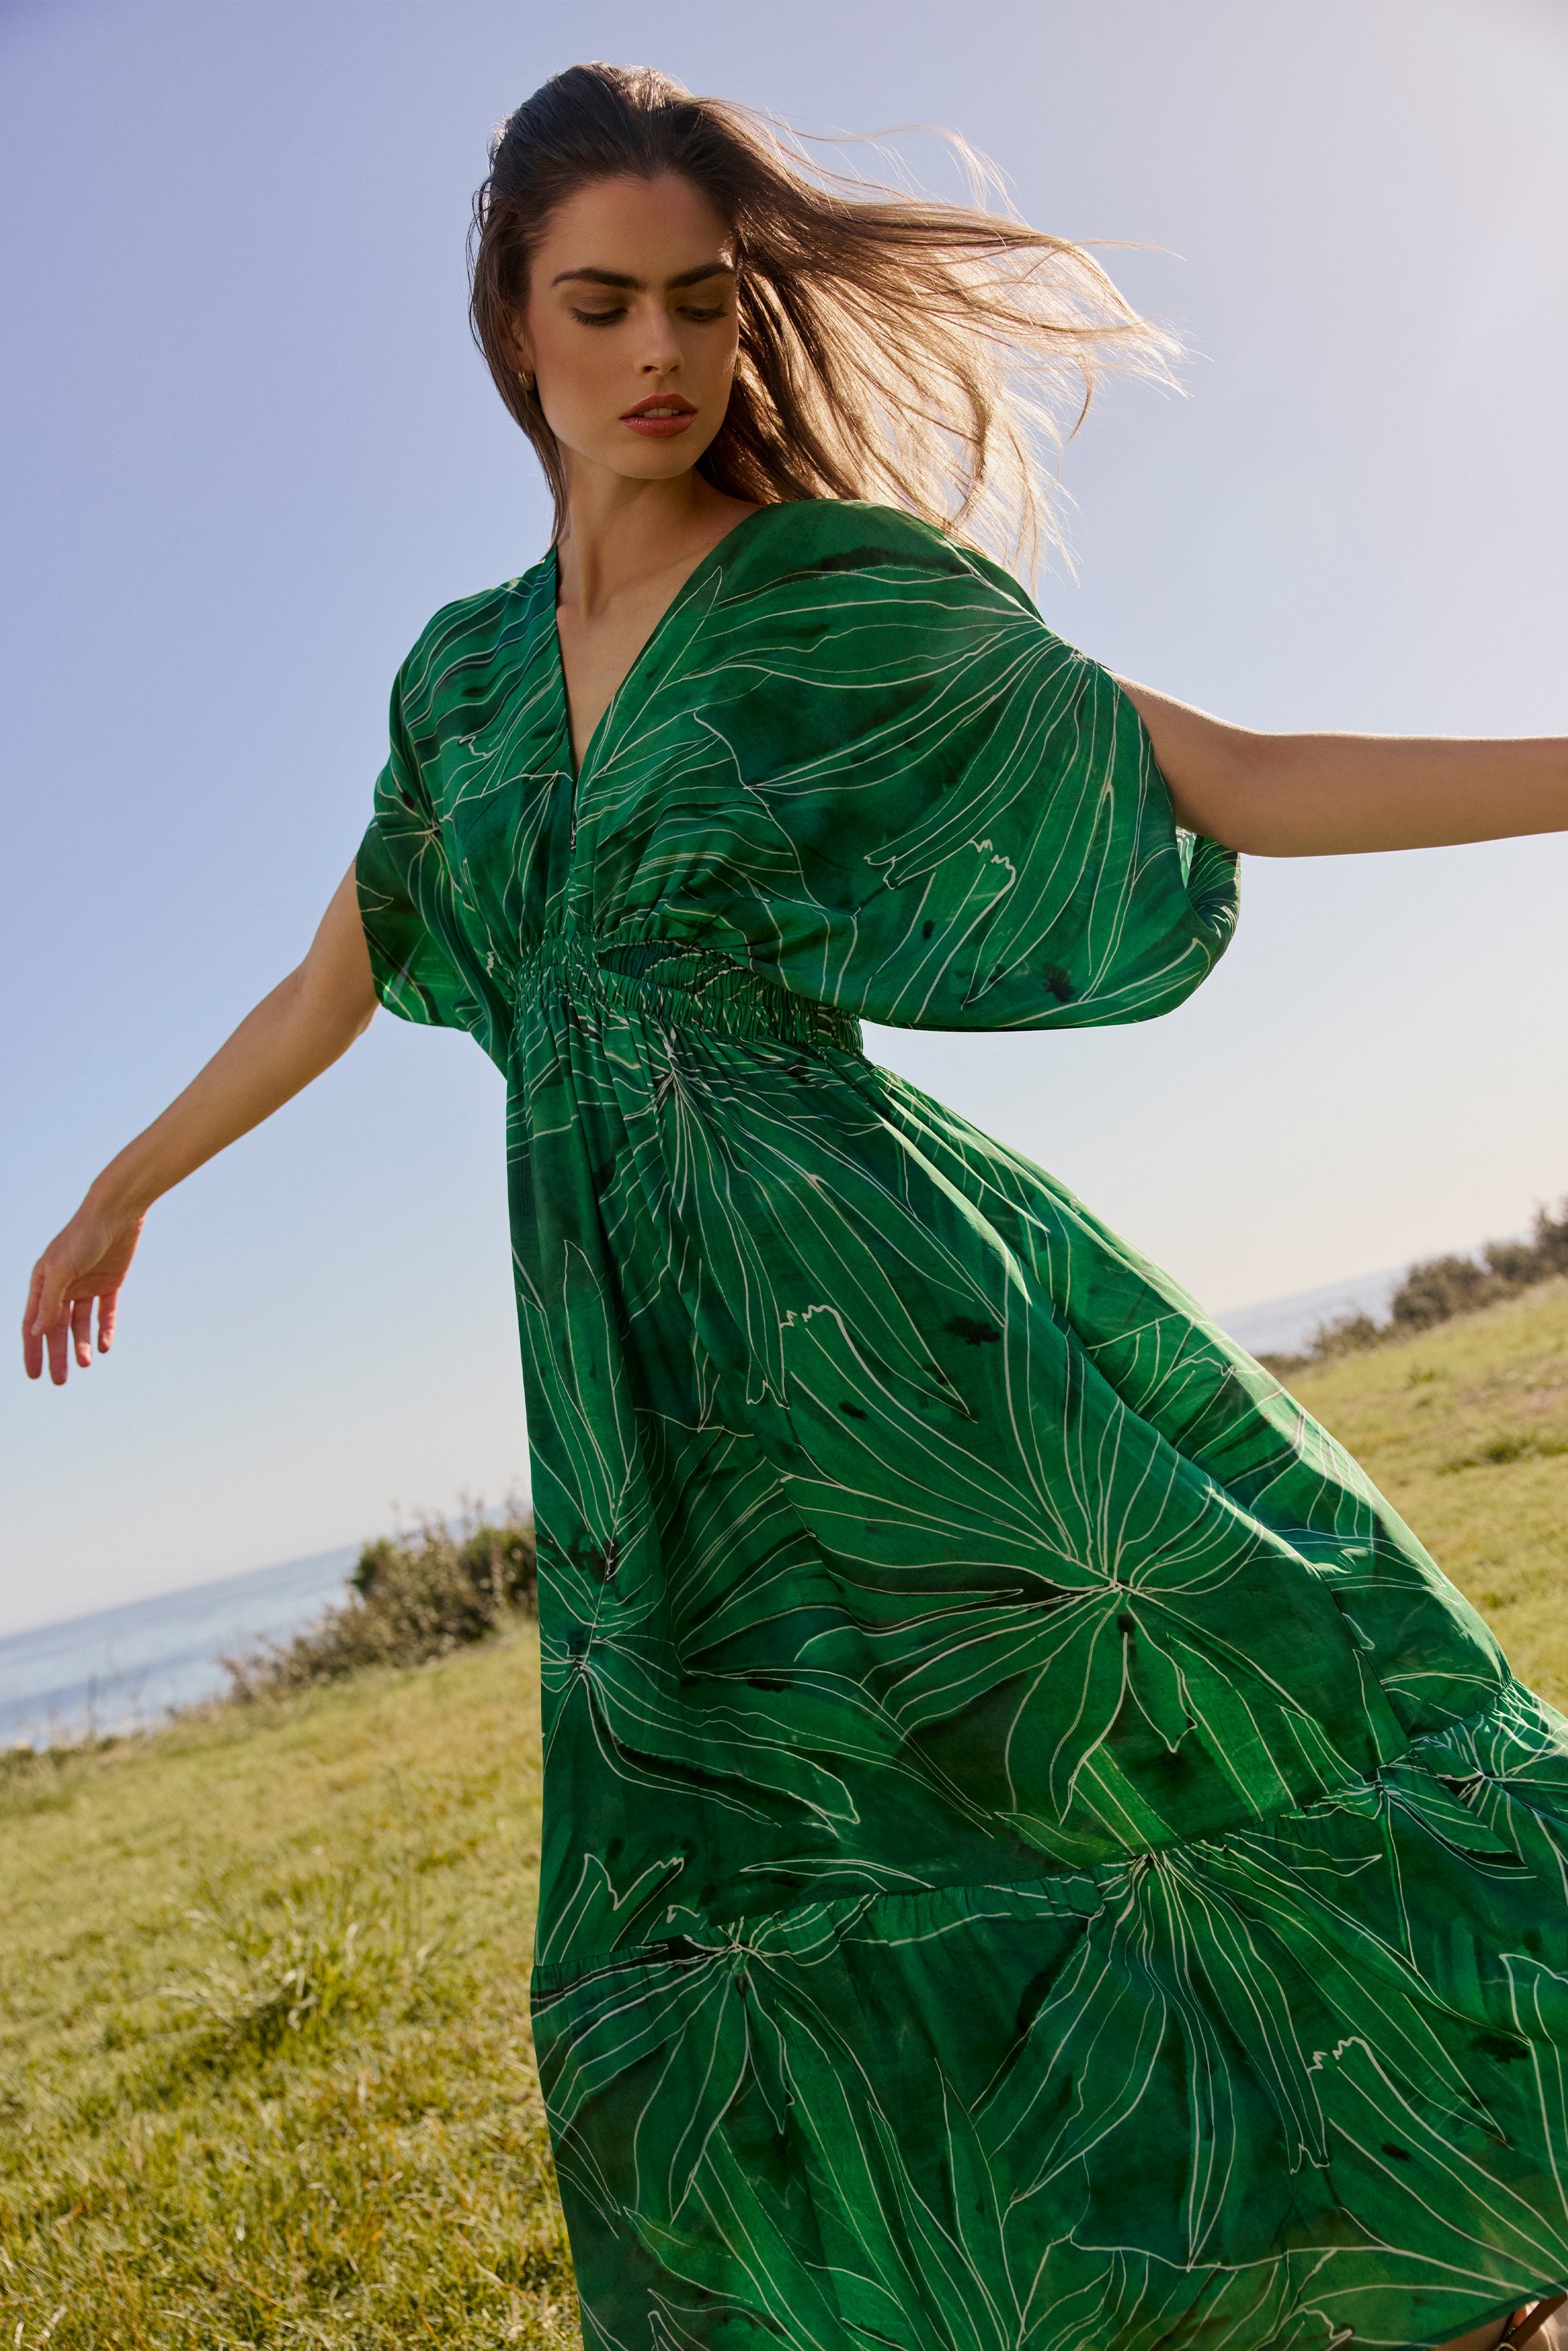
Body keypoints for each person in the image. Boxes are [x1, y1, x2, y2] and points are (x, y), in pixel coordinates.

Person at [23, 60, 1568, 2351]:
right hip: (636, 1402)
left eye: (701, 302)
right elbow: (326, 979)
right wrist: (118, 1180)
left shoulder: (822, 593)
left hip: (887, 1312)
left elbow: (1219, 773)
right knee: (743, 1909)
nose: (658, 352)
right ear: (511, 320)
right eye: (601, 304)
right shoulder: (458, 686)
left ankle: (1454, 2267)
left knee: (1162, 1738)